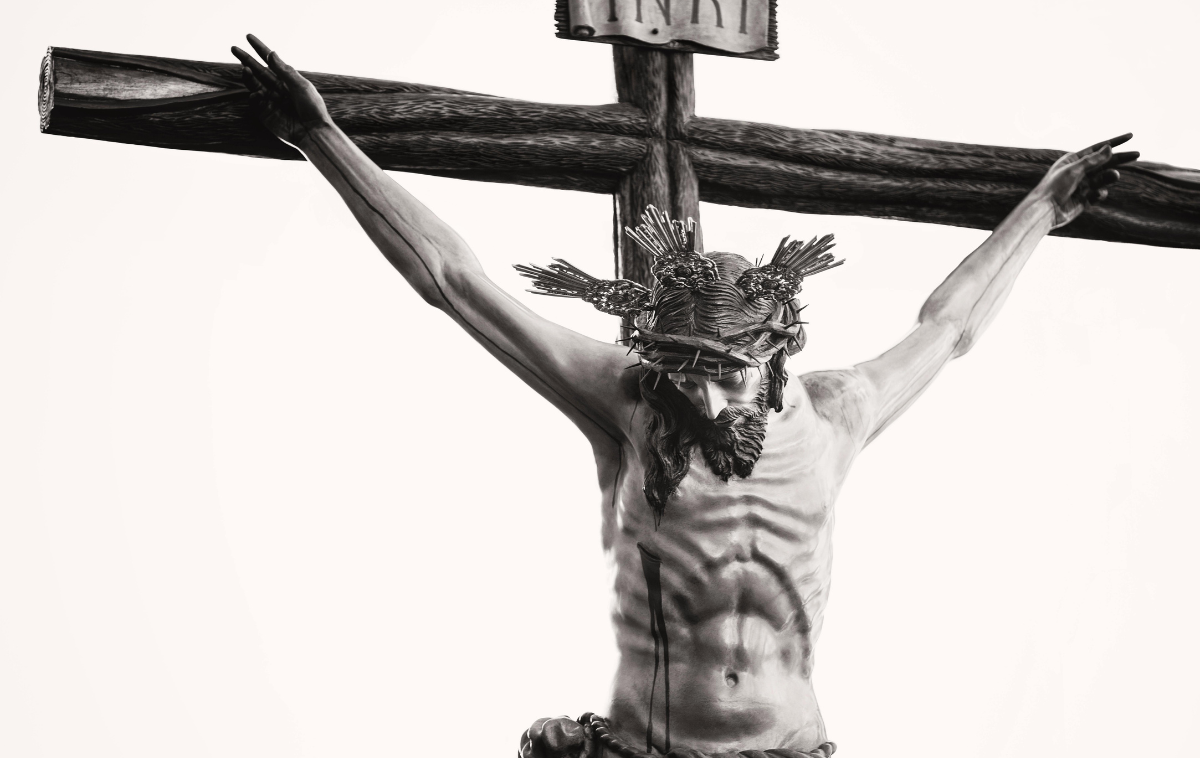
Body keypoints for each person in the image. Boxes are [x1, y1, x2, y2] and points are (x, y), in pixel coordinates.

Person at [231, 34, 1137, 758]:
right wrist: (321, 138)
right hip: (648, 746)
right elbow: (460, 284)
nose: (703, 391)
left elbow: (950, 327)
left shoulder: (837, 415)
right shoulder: (628, 404)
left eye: (726, 367)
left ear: (778, 351)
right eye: (685, 368)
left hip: (792, 748)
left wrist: (1045, 208)